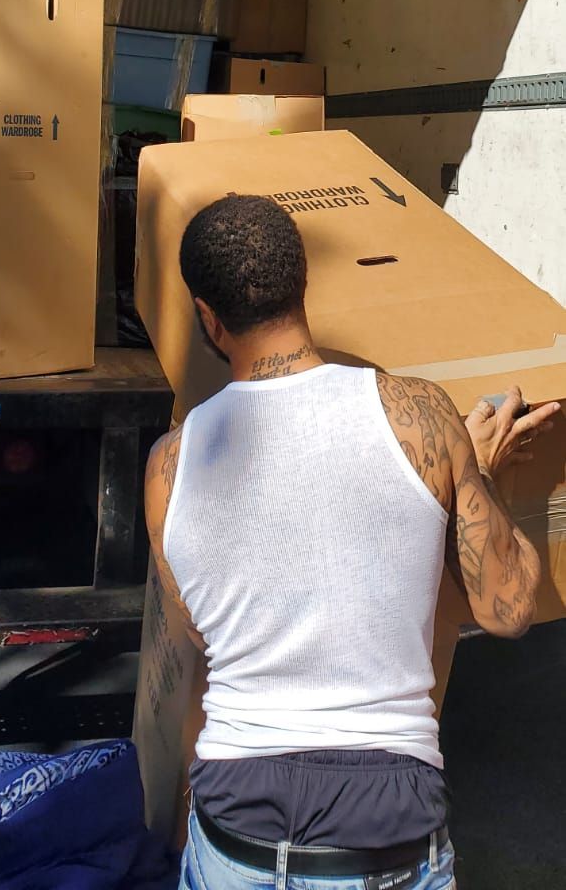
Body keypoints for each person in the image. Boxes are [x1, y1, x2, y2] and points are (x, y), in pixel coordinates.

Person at [144, 194, 560, 890]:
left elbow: (196, 631)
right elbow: (506, 608)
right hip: (385, 834)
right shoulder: (419, 415)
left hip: (232, 833)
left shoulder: (168, 466)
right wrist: (478, 478)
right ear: (303, 286)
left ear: (206, 318)